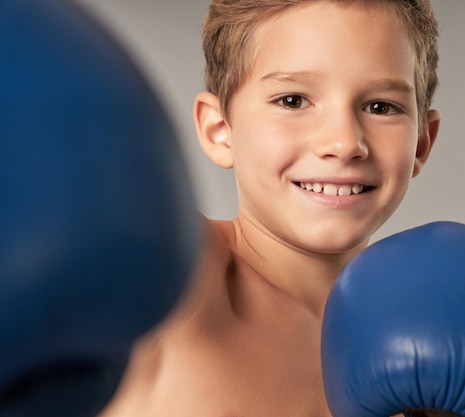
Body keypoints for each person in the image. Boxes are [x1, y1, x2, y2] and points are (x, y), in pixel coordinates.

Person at [99, 0, 441, 416]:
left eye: (381, 107)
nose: (344, 142)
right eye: (293, 100)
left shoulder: (426, 340)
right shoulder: (179, 276)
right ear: (219, 129)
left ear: (422, 141)